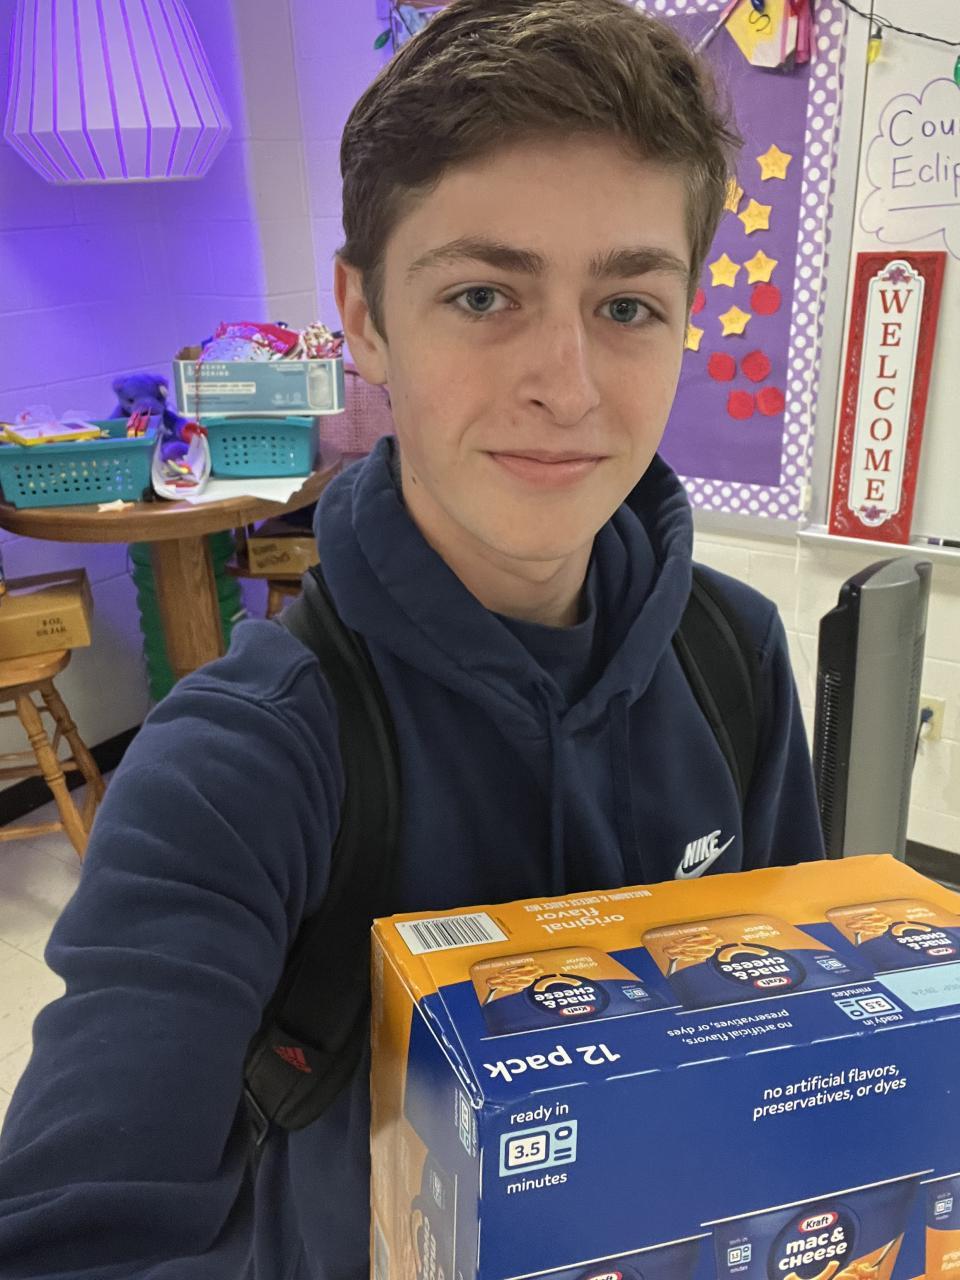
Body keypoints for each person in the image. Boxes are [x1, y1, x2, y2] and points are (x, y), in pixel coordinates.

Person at [0, 1, 824, 1276]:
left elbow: (796, 1036)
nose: (567, 384)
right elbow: (71, 1232)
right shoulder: (239, 764)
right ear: (367, 316)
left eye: (627, 305)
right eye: (483, 293)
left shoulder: (736, 658)